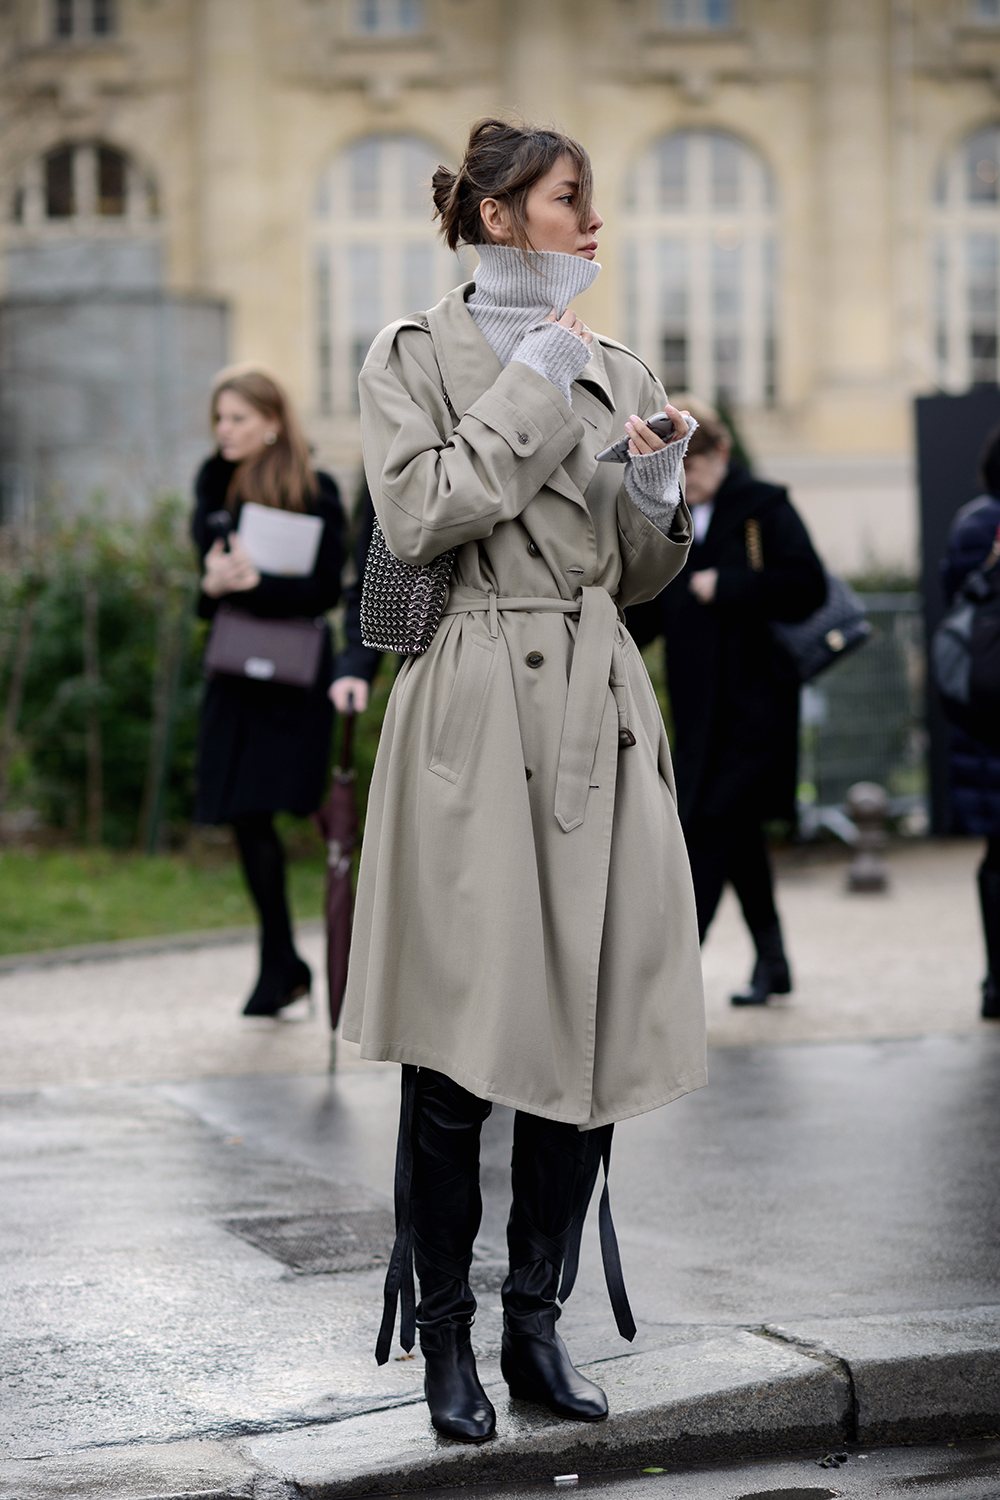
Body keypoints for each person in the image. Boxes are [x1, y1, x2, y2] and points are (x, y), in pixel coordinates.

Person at [341, 118, 707, 1444]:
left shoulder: (621, 366)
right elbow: (419, 516)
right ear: (500, 215)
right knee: (458, 1050)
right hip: (475, 706)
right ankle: (445, 1341)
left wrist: (658, 495)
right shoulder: (410, 356)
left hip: (597, 710)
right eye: (569, 197)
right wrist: (535, 381)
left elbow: (638, 573)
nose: (592, 222)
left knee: (590, 1039)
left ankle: (534, 1324)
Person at [627, 397, 826, 1006]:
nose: (686, 479)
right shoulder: (673, 516)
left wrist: (730, 585)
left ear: (721, 452)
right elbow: (652, 613)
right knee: (736, 832)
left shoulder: (763, 507)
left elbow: (807, 586)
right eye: (677, 468)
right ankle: (774, 964)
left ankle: (673, 978)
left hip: (756, 705)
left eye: (693, 464)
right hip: (699, 710)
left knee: (709, 825)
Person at [191, 366, 345, 1017]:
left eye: (238, 419)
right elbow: (205, 587)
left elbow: (325, 589)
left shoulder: (316, 489)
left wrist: (259, 583)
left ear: (273, 422)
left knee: (277, 806)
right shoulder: (212, 482)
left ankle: (293, 963)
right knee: (242, 811)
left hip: (292, 675)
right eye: (219, 419)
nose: (224, 431)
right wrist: (213, 584)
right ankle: (280, 961)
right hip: (234, 670)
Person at [940, 424, 1000, 1021]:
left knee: (995, 851)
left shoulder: (971, 522)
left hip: (983, 711)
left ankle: (995, 981)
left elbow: (951, 598)